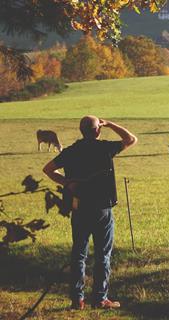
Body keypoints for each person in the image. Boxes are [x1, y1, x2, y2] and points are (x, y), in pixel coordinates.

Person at [43, 116, 137, 310]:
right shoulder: (104, 148)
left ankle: (77, 300)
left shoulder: (71, 151)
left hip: (80, 207)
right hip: (102, 208)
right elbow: (131, 139)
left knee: (79, 254)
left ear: (81, 130)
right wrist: (110, 124)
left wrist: (67, 183)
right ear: (97, 131)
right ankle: (100, 299)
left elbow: (48, 169)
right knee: (103, 254)